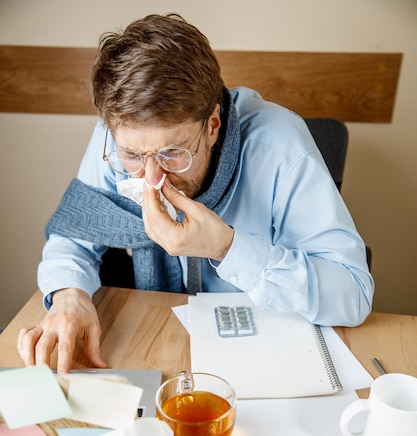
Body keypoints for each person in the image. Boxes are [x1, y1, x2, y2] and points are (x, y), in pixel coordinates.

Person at [17, 13, 374, 373]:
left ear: (213, 125)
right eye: (132, 156)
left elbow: (353, 294)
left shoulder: (281, 150)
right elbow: (74, 235)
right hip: (153, 341)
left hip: (266, 350)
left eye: (172, 152)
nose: (153, 178)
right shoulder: (113, 137)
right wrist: (69, 294)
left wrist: (227, 247)